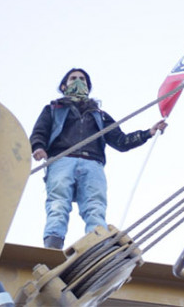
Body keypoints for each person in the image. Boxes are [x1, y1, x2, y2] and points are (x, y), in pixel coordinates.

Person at [30, 68, 167, 249]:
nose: (78, 81)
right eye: (74, 79)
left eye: (82, 79)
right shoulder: (54, 109)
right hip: (63, 159)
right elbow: (40, 131)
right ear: (64, 86)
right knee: (58, 204)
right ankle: (53, 244)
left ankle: (97, 246)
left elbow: (121, 141)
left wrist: (148, 133)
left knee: (95, 207)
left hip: (92, 163)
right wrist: (38, 147)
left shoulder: (99, 115)